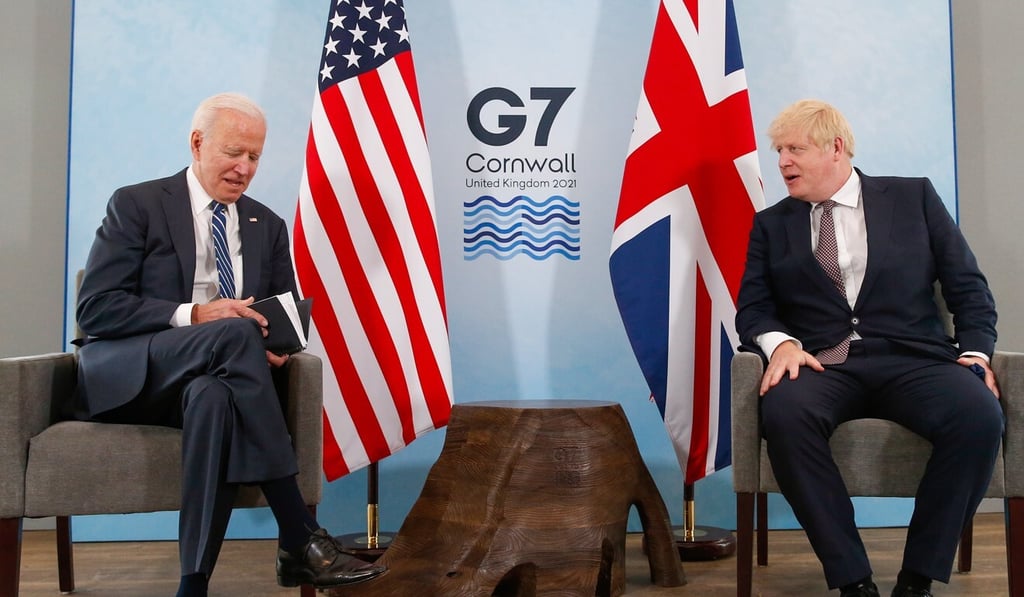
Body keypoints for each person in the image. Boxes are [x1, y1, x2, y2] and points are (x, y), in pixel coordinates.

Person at [70, 92, 386, 596]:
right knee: (234, 331)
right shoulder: (137, 204)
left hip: (217, 379)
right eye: (234, 152)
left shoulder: (267, 225)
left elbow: (282, 315)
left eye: (255, 156)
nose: (245, 168)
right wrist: (196, 315)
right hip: (139, 372)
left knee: (215, 397)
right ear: (197, 144)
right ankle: (299, 534)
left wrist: (279, 347)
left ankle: (192, 585)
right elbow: (96, 309)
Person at [735, 99, 1004, 597]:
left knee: (979, 416)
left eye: (795, 149)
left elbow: (968, 287)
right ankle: (853, 579)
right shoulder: (772, 224)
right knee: (785, 414)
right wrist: (783, 344)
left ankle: (918, 579)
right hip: (823, 364)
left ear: (835, 148)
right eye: (779, 151)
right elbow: (753, 308)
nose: (783, 162)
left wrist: (975, 353)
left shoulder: (913, 198)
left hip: (914, 359)